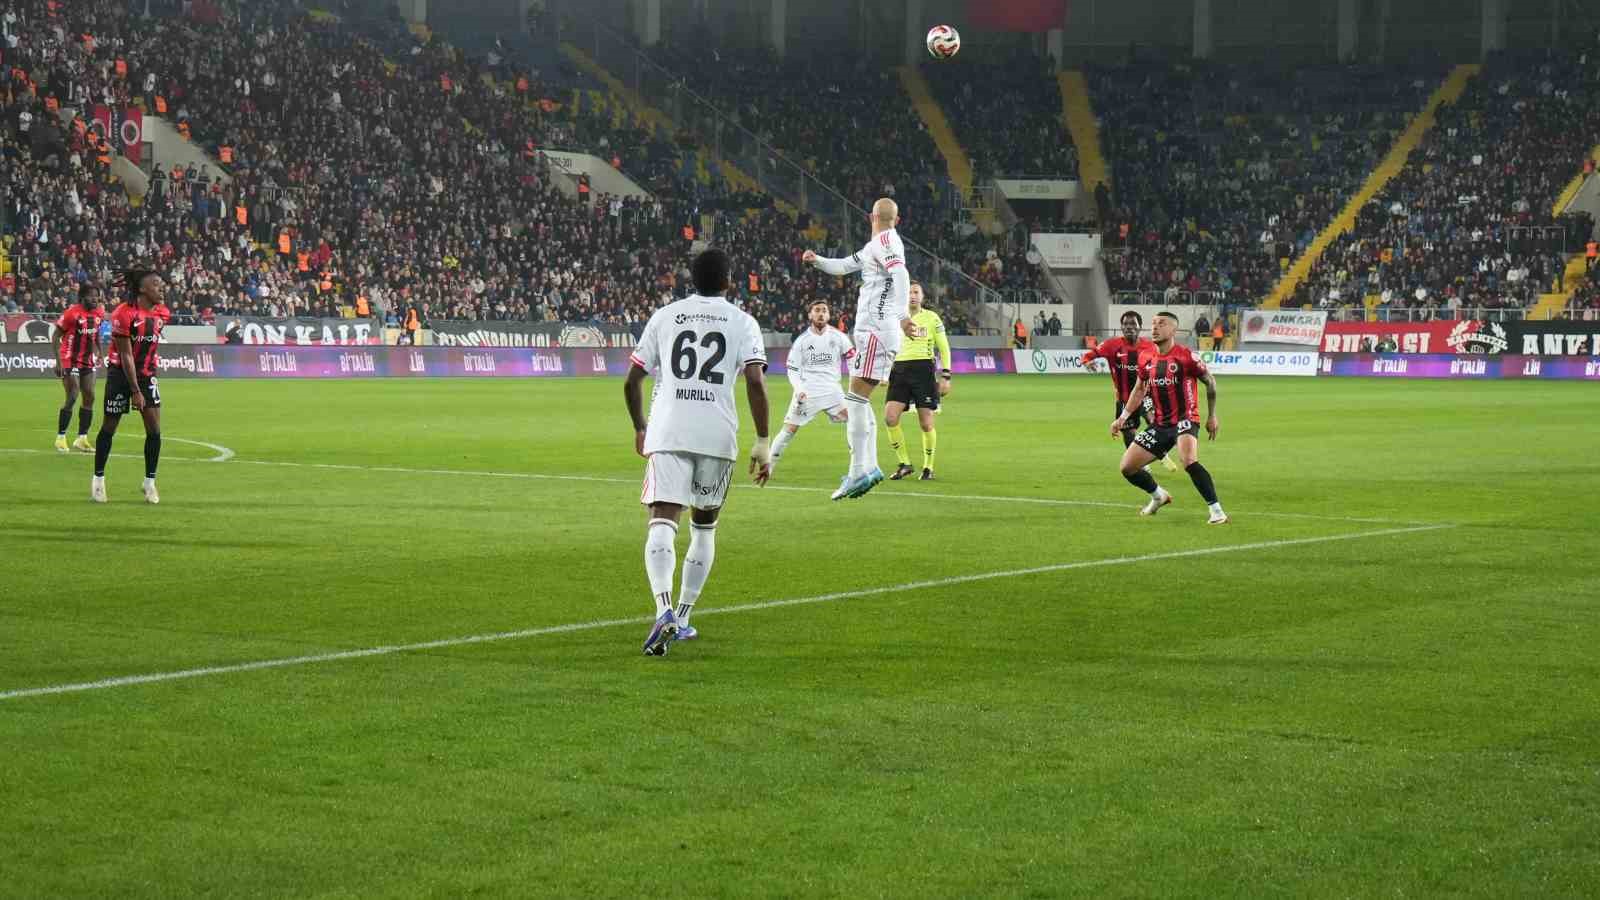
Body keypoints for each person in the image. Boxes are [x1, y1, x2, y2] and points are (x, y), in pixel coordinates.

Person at [623, 249, 771, 656]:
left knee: (662, 520)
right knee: (704, 527)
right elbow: (755, 382)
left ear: (691, 279)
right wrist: (763, 441)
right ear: (728, 281)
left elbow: (632, 380)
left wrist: (640, 427)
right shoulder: (743, 321)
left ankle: (663, 609)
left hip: (669, 431)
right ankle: (684, 617)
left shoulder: (665, 316)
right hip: (717, 436)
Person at [802, 197, 917, 500]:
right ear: (897, 219)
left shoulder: (885, 241)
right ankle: (871, 466)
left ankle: (857, 472)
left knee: (854, 400)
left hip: (877, 331)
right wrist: (818, 260)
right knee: (859, 401)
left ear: (870, 217)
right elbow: (844, 265)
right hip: (875, 333)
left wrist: (903, 315)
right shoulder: (875, 245)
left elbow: (901, 273)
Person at [1110, 311, 1228, 525]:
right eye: (1153, 323)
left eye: (1161, 324)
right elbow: (1139, 389)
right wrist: (1122, 417)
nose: (1155, 328)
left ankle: (1217, 511)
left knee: (1188, 460)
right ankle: (1159, 496)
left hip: (1185, 418)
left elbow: (1210, 382)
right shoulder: (1146, 357)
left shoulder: (1186, 356)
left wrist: (1212, 416)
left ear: (1173, 330)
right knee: (1127, 467)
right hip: (1160, 424)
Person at [93, 270, 170, 505]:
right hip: (120, 374)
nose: (161, 288)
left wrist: (144, 380)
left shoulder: (162, 313)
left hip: (147, 375)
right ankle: (98, 480)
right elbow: (126, 355)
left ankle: (149, 482)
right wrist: (135, 391)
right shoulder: (123, 313)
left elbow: (148, 345)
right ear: (142, 289)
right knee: (110, 426)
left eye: (161, 284)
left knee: (154, 430)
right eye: (156, 284)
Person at [769, 300, 853, 475]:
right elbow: (792, 370)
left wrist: (854, 384)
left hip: (833, 392)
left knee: (855, 421)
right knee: (789, 430)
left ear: (829, 315)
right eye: (817, 310)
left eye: (824, 310)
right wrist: (799, 389)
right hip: (809, 392)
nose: (821, 313)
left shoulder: (839, 337)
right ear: (810, 315)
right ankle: (767, 467)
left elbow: (852, 359)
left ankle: (858, 468)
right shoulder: (802, 341)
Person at [884, 281, 951, 481]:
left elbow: (944, 347)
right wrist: (883, 371)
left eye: (916, 292)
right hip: (899, 370)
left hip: (923, 370)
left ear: (922, 297)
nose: (912, 295)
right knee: (890, 417)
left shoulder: (932, 318)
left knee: (926, 423)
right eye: (909, 292)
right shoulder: (894, 318)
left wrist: (946, 376)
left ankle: (928, 467)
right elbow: (885, 345)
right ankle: (904, 464)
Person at [1080, 311, 1163, 455]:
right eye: (1125, 324)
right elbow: (1088, 356)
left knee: (1155, 422)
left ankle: (1158, 452)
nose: (1129, 327)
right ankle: (1141, 463)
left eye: (1133, 324)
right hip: (1124, 399)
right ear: (1121, 327)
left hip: (1146, 395)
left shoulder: (1151, 347)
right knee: (1128, 433)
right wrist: (1087, 362)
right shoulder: (1111, 345)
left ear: (1140, 327)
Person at [50, 284, 106, 453]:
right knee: (73, 394)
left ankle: (82, 439)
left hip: (87, 361)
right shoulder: (71, 313)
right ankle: (60, 438)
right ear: (82, 297)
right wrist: (58, 362)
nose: (95, 298)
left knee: (90, 395)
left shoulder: (99, 313)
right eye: (91, 295)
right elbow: (56, 336)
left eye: (97, 295)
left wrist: (100, 352)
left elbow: (96, 334)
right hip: (69, 359)